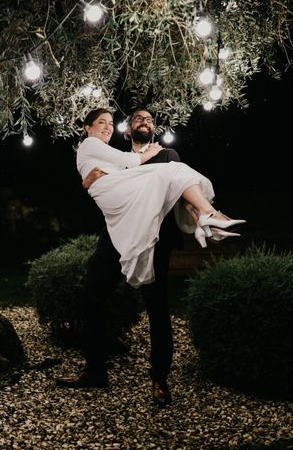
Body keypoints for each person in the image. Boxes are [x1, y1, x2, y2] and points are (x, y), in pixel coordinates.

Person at [57, 107, 244, 404]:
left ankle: (159, 380)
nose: (145, 122)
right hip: (116, 238)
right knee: (91, 297)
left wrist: (194, 213)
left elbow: (177, 195)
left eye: (149, 120)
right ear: (128, 130)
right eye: (138, 120)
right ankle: (95, 371)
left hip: (154, 240)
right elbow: (96, 181)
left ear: (152, 129)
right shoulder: (114, 155)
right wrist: (88, 180)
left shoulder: (167, 156)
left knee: (157, 309)